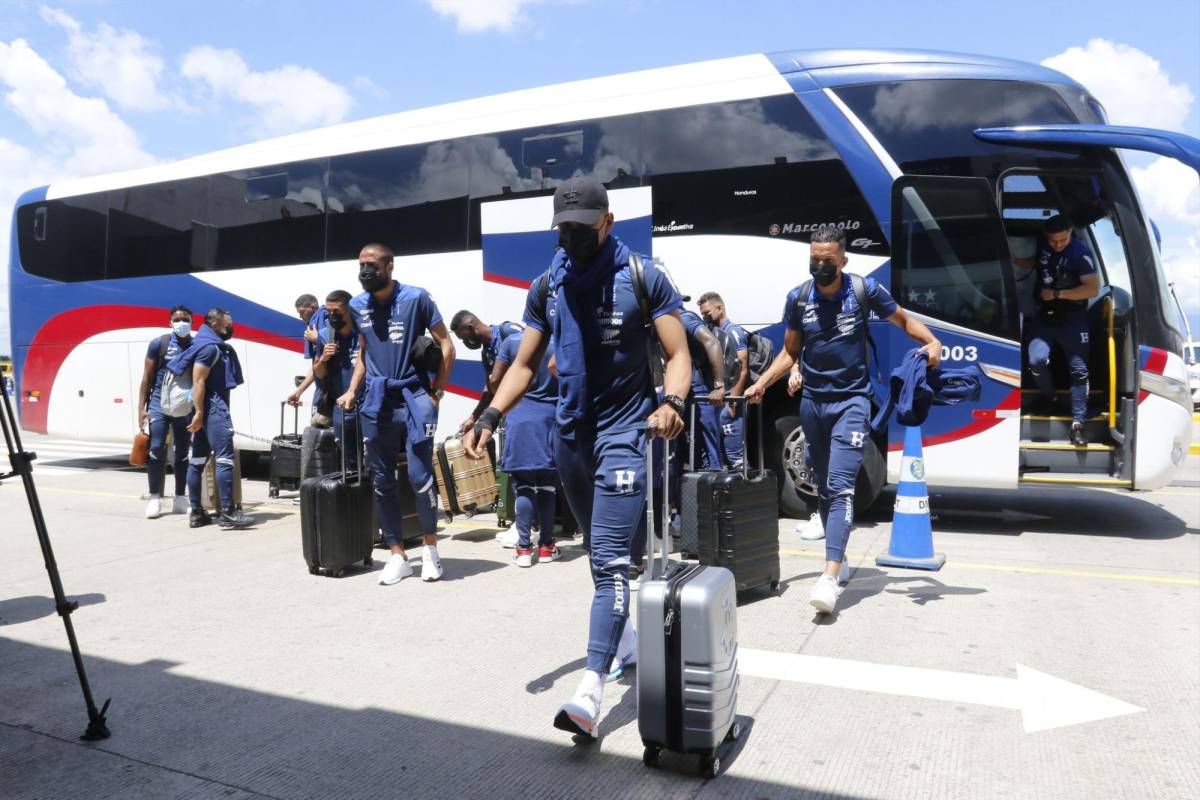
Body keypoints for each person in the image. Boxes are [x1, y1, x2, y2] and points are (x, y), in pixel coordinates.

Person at [463, 176, 691, 739]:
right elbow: (523, 363)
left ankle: (590, 691)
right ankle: (626, 640)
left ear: (607, 222)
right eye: (563, 227)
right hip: (571, 436)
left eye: (582, 227)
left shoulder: (643, 276)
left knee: (612, 560)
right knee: (597, 553)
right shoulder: (548, 283)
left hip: (623, 431)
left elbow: (679, 351)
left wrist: (673, 401)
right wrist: (489, 416)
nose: (571, 237)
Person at [746, 226, 941, 615]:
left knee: (840, 486)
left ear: (843, 260)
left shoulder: (864, 291)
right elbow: (789, 353)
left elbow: (903, 320)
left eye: (828, 261)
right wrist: (762, 384)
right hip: (812, 405)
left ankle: (830, 576)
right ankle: (841, 556)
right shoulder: (798, 299)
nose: (820, 267)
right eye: (814, 260)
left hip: (852, 402)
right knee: (822, 487)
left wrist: (931, 341)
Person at [338, 243, 456, 585]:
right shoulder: (357, 305)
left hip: (414, 396)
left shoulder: (417, 298)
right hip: (376, 401)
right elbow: (363, 353)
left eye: (372, 264)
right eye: (361, 264)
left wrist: (437, 392)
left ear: (389, 266)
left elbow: (447, 345)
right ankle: (397, 554)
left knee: (420, 478)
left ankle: (431, 550)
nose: (365, 270)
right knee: (382, 481)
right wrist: (351, 390)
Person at [1011, 215, 1099, 445]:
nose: (1058, 244)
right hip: (1045, 316)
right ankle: (1049, 396)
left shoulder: (1081, 253)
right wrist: (1017, 261)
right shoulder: (1045, 245)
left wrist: (1059, 294)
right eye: (1053, 241)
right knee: (1036, 360)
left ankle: (1078, 424)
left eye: (1062, 240)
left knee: (1078, 370)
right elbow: (1038, 262)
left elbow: (1092, 289)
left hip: (1073, 318)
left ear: (1070, 233)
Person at [168, 308, 253, 530]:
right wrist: (199, 413)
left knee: (197, 461)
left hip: (205, 410)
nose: (230, 328)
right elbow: (198, 381)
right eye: (228, 323)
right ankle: (228, 512)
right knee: (224, 459)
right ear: (215, 323)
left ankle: (197, 513)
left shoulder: (205, 344)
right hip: (213, 409)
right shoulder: (210, 349)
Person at [491, 329, 560, 567]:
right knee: (548, 486)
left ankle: (523, 549)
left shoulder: (511, 342)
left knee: (524, 487)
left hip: (518, 417)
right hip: (550, 418)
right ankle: (546, 547)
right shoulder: (558, 339)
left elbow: (494, 380)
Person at [136, 305, 194, 519]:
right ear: (170, 322)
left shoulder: (196, 345)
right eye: (177, 319)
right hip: (159, 405)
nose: (181, 323)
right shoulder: (159, 344)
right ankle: (154, 498)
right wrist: (141, 409)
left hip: (184, 406)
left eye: (185, 319)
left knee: (182, 452)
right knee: (157, 448)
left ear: (192, 322)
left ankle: (180, 498)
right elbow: (146, 378)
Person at [449, 311, 524, 434]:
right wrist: (473, 418)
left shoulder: (507, 331)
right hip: (512, 410)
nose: (466, 343)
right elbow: (489, 390)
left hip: (532, 401)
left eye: (465, 338)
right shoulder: (486, 353)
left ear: (470, 327)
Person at [697, 292, 750, 469]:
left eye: (707, 312)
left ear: (719, 308)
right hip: (719, 400)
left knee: (735, 455)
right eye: (702, 314)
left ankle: (749, 491)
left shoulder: (733, 332)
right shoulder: (713, 332)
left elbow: (742, 369)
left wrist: (733, 403)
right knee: (722, 455)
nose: (705, 317)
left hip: (730, 400)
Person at [312, 290, 362, 472]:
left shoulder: (362, 332)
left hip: (366, 403)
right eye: (329, 312)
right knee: (349, 462)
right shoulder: (326, 335)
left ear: (349, 310)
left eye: (337, 311)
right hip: (342, 407)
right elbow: (318, 373)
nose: (332, 316)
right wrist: (324, 358)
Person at [785, 362, 825, 540]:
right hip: (814, 396)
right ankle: (822, 514)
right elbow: (793, 353)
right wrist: (794, 371)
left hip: (833, 398)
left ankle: (827, 520)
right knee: (813, 459)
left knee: (828, 464)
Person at [288, 294, 331, 425]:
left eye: (302, 312)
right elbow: (316, 366)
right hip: (323, 390)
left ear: (312, 306)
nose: (301, 317)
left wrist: (318, 338)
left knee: (320, 430)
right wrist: (299, 390)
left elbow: (328, 351)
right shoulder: (316, 321)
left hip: (329, 391)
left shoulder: (320, 318)